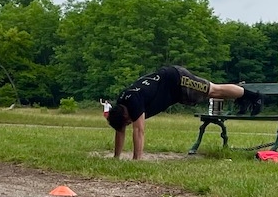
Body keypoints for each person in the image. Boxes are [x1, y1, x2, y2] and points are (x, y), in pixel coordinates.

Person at [106, 66, 263, 160]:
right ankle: (242, 97)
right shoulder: (121, 102)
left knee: (214, 90)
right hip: (172, 87)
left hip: (178, 79)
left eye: (127, 122)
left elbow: (139, 131)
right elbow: (120, 130)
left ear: (126, 115)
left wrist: (136, 159)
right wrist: (116, 157)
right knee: (212, 93)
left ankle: (253, 97)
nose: (129, 123)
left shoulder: (133, 102)